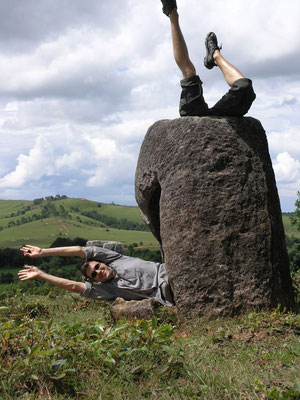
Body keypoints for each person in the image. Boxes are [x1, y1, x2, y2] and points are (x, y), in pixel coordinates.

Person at [161, 0, 256, 117]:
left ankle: (173, 15)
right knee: (245, 89)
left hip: (197, 115)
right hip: (220, 118)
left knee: (189, 72)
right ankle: (173, 14)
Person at [18, 244, 174, 306]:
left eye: (98, 266)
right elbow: (74, 286)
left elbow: (80, 250)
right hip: (165, 289)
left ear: (102, 262)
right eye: (94, 274)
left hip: (168, 269)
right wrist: (41, 274)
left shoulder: (116, 258)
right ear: (95, 280)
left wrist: (43, 252)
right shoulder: (108, 289)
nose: (99, 271)